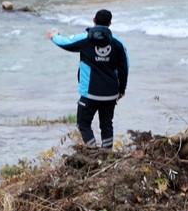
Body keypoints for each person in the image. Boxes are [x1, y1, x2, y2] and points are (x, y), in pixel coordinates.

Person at [46, 9, 129, 148]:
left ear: (94, 20)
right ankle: (106, 154)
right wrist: (121, 90)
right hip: (110, 93)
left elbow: (65, 42)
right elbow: (124, 68)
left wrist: (53, 36)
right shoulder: (118, 43)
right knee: (107, 125)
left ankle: (92, 151)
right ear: (110, 23)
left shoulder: (85, 39)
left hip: (89, 94)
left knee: (83, 124)